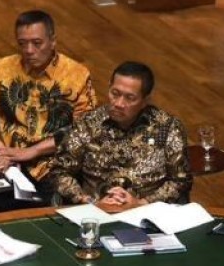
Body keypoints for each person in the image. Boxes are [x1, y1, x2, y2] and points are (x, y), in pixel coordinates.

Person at [0, 9, 97, 214]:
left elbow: (83, 131)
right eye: (22, 43)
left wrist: (32, 151)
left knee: (59, 208)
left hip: (53, 164)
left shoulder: (76, 76)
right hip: (5, 161)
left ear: (53, 41)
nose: (29, 50)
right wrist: (0, 149)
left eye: (37, 43)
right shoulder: (2, 68)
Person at [49, 61, 192, 211]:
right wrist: (91, 202)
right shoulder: (88, 124)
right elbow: (59, 172)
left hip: (147, 215)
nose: (119, 103)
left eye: (130, 98)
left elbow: (180, 180)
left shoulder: (168, 128)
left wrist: (141, 203)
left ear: (145, 101)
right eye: (115, 93)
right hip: (94, 213)